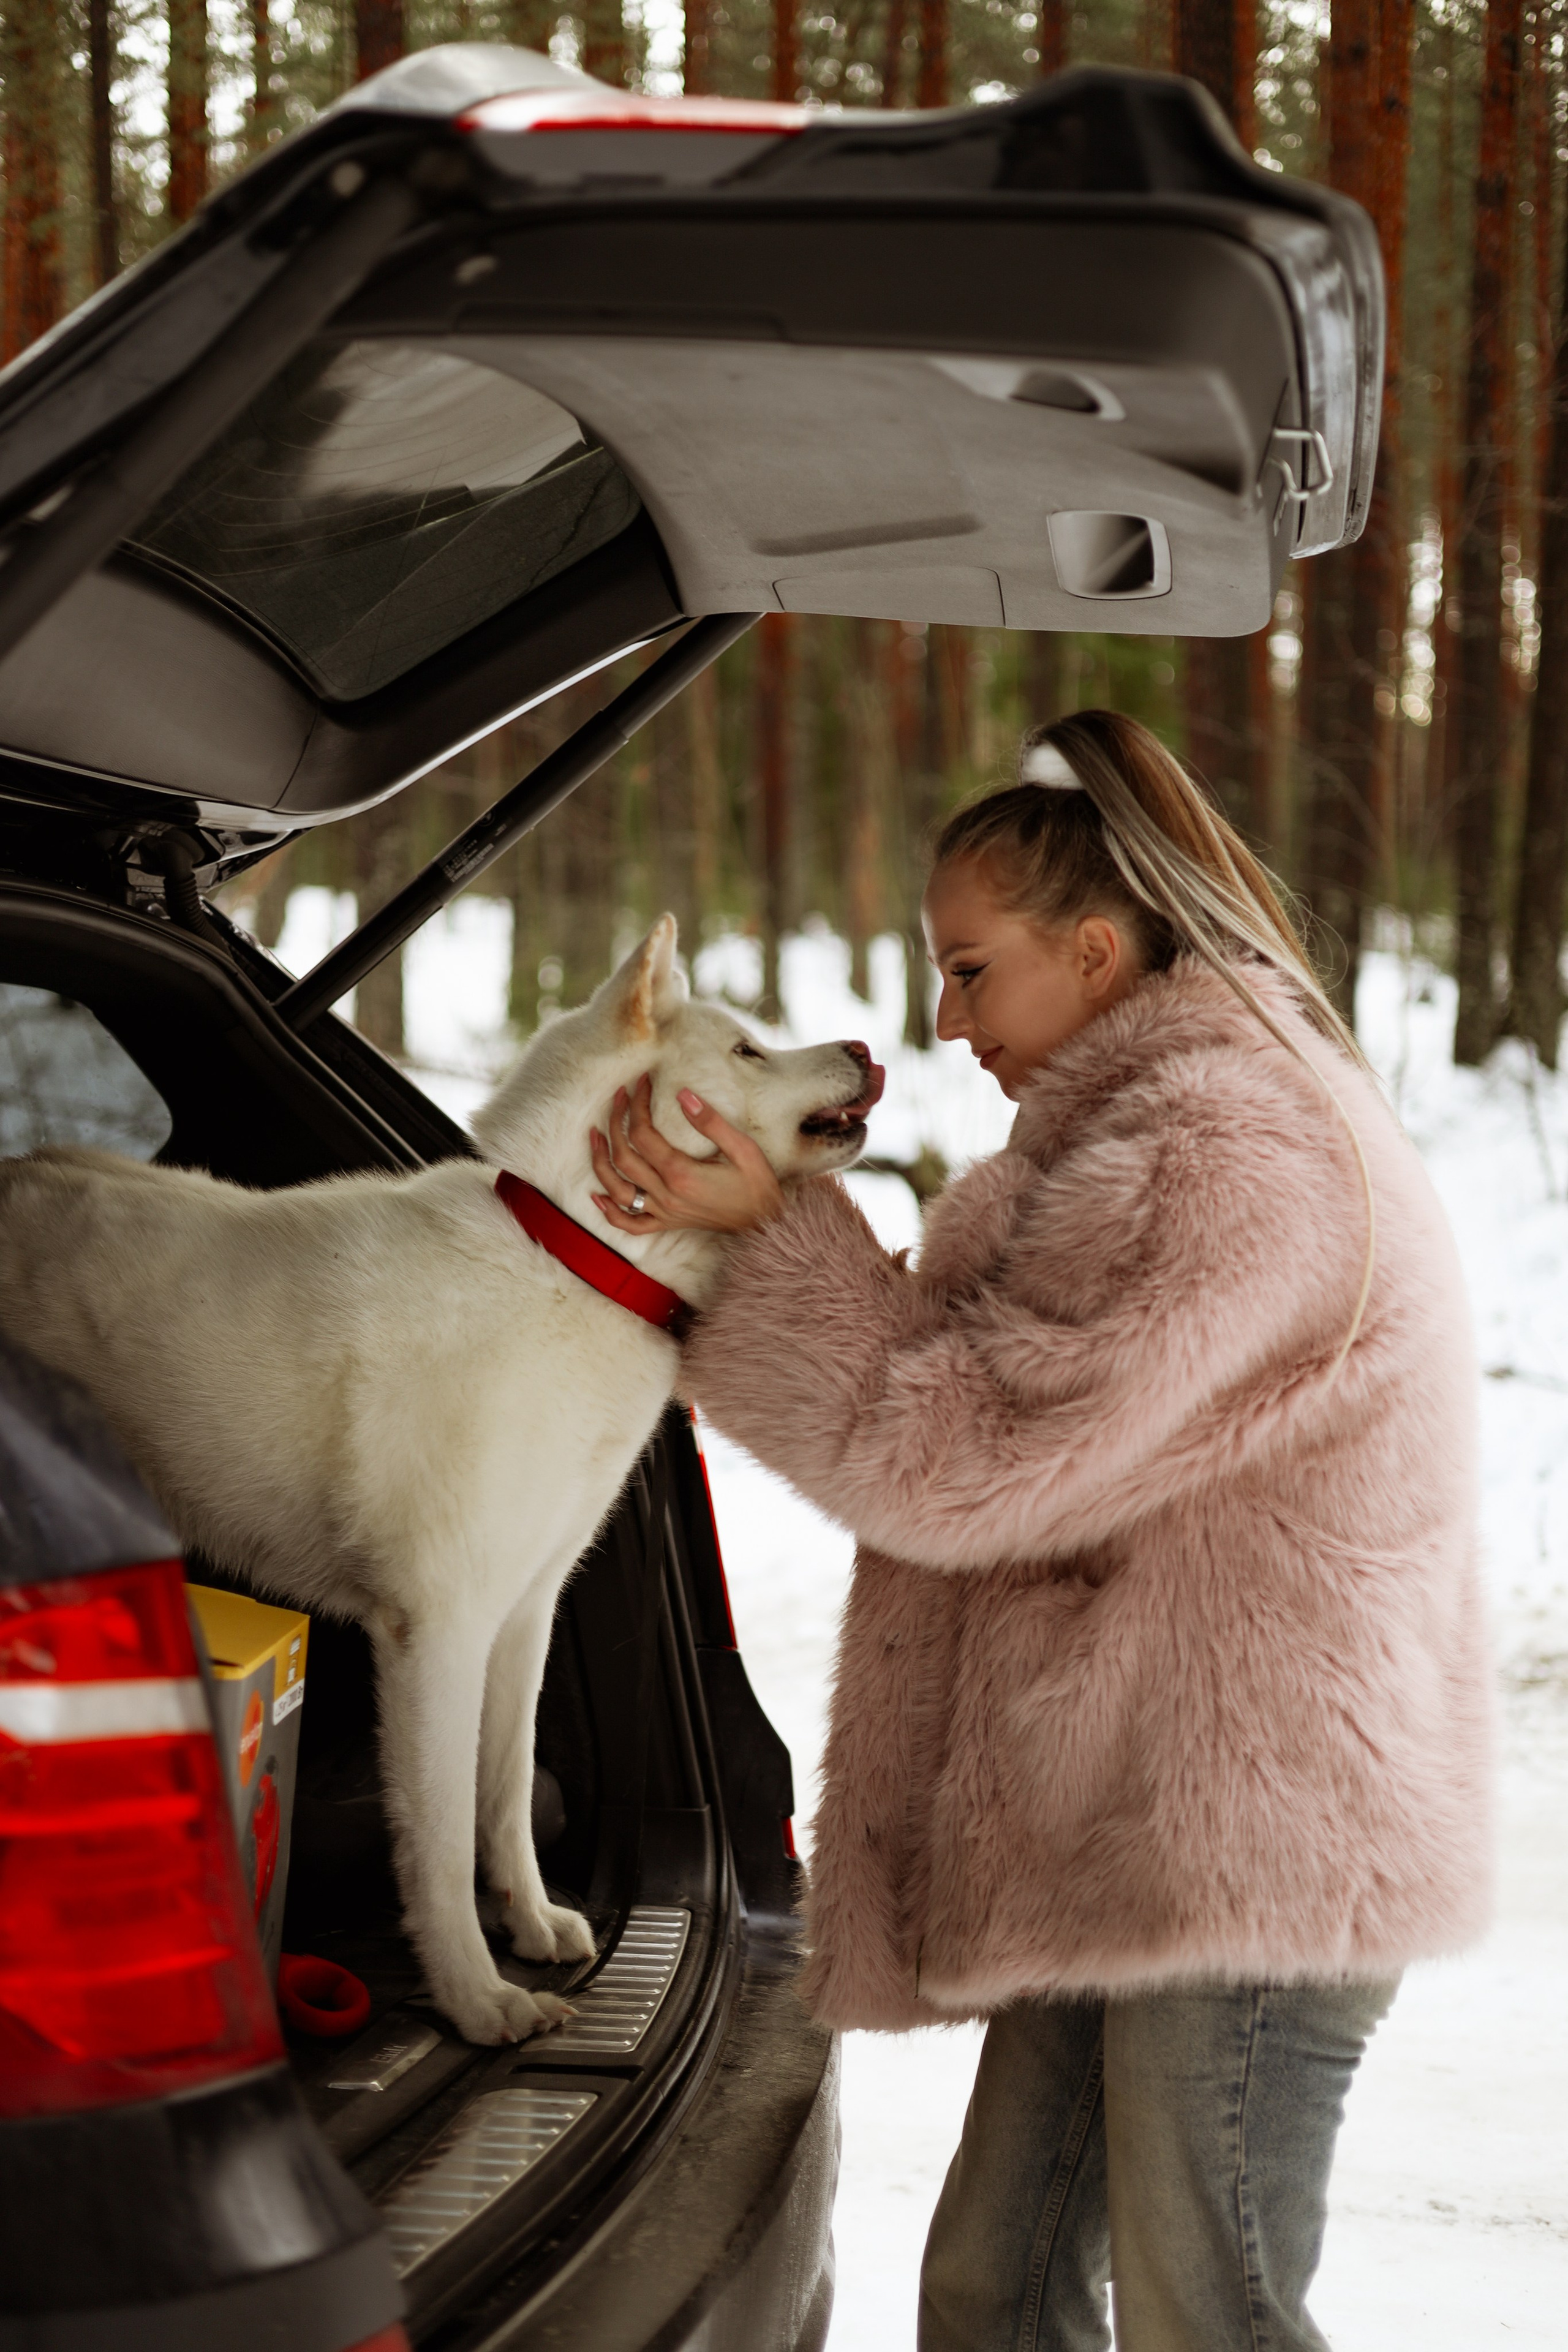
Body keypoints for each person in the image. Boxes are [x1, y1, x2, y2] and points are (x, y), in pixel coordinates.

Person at [587, 708, 1491, 2352]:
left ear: (1092, 950)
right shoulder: (1146, 1131)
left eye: (971, 969)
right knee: (994, 2291)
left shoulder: (1222, 1151)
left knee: (1208, 2314)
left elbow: (963, 1455)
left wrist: (778, 1230)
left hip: (1247, 1840)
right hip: (1131, 1816)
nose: (948, 1021)